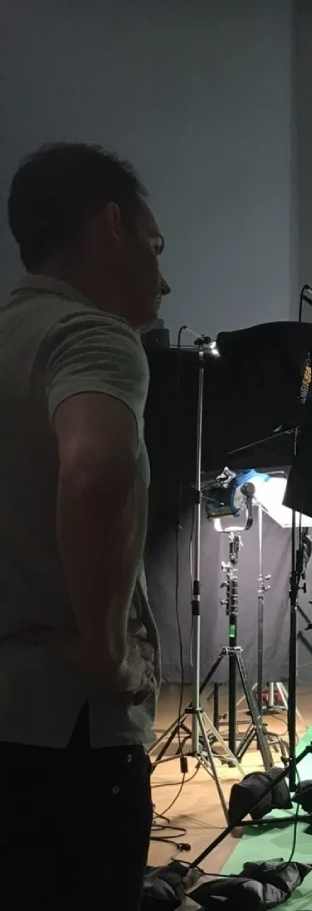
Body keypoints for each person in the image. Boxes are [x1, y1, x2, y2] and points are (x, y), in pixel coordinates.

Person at [0, 142, 170, 910]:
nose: (163, 277)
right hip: (64, 739)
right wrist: (106, 650)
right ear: (112, 225)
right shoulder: (93, 336)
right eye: (154, 245)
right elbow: (95, 470)